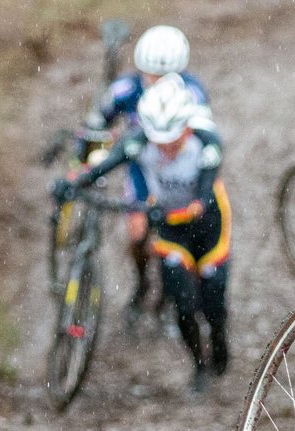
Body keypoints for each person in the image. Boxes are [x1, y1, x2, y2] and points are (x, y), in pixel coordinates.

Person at [54, 73, 231, 395]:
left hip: (208, 227)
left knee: (213, 296)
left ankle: (219, 338)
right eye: (157, 139)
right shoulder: (138, 141)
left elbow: (203, 199)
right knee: (182, 300)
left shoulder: (207, 144)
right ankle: (199, 364)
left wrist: (176, 210)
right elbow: (101, 167)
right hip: (169, 229)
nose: (164, 146)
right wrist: (72, 182)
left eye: (173, 138)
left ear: (188, 128)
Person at [79, 25, 213, 330]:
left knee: (176, 234)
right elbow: (98, 122)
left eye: (163, 77)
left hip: (178, 174)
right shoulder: (126, 89)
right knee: (138, 234)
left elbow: (207, 137)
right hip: (142, 170)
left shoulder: (192, 92)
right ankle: (142, 283)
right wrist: (83, 156)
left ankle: (170, 292)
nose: (155, 82)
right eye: (149, 75)